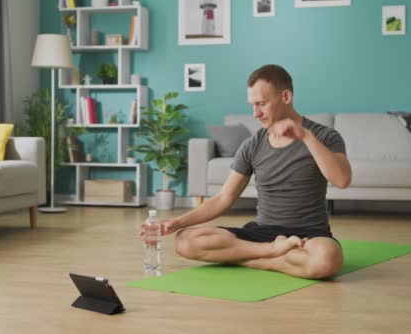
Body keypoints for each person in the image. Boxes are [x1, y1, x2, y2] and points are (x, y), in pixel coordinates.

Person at [144, 64, 352, 279]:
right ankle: (273, 253)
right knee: (184, 241)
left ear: (286, 96)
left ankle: (250, 259)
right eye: (252, 105)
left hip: (309, 235)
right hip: (262, 233)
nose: (255, 113)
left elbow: (342, 180)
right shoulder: (252, 145)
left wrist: (306, 136)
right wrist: (176, 223)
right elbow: (224, 198)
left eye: (262, 103)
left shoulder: (325, 136)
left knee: (327, 259)